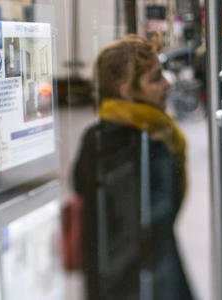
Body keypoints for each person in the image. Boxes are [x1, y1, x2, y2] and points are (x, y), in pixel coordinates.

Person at [72, 35, 194, 300]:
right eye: (154, 79)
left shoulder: (96, 136)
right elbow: (150, 231)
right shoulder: (148, 143)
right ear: (128, 92)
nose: (166, 84)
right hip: (144, 285)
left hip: (108, 281)